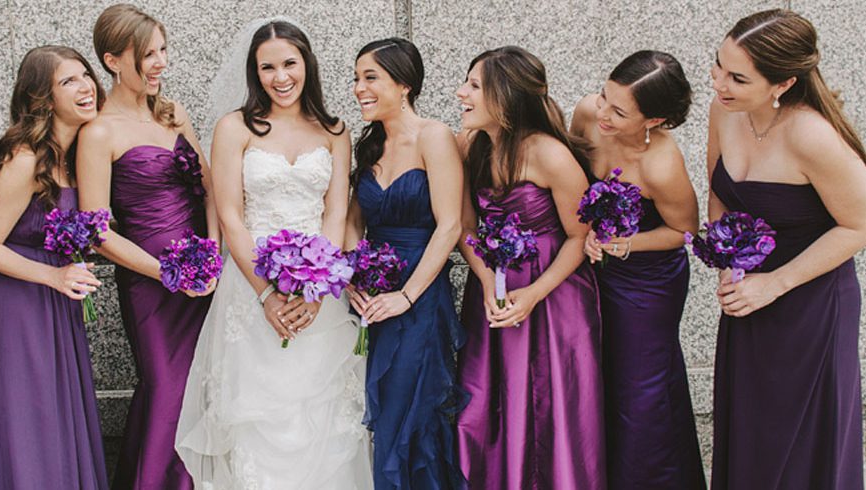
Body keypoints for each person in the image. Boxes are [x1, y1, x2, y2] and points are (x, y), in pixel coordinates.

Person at [175, 18, 372, 489]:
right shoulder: (234, 127)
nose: (280, 77)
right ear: (254, 71)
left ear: (307, 64)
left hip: (319, 293)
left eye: (289, 63)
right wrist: (265, 295)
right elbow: (231, 215)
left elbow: (334, 211)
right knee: (260, 415)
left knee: (324, 414)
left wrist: (319, 289)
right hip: (252, 288)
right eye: (267, 67)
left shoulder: (334, 129)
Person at [707, 9, 866, 489]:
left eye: (738, 77)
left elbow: (859, 225)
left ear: (781, 84)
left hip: (809, 301)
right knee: (751, 428)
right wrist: (727, 262)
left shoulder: (811, 135)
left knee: (798, 439)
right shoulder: (725, 109)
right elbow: (720, 194)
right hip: (746, 296)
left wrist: (774, 283)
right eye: (718, 65)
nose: (720, 83)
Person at [79, 5, 218, 488]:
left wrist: (213, 256)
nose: (159, 62)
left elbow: (210, 185)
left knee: (205, 389)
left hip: (207, 277)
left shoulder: (173, 113)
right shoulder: (98, 132)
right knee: (166, 390)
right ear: (113, 60)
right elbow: (97, 230)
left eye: (162, 51)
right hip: (149, 284)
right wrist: (169, 273)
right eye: (147, 54)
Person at [455, 46, 605, 490]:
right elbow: (465, 227)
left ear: (505, 96)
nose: (461, 93)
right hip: (492, 291)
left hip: (553, 298)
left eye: (474, 86)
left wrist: (534, 293)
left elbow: (579, 236)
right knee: (482, 405)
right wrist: (484, 280)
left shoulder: (549, 154)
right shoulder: (470, 146)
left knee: (549, 405)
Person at [0, 45, 108, 489]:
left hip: (54, 297)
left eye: (86, 75)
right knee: (30, 419)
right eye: (69, 81)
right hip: (17, 299)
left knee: (56, 410)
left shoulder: (74, 154)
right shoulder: (26, 158)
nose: (86, 86)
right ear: (42, 98)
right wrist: (54, 274)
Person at [570, 50, 705, 489]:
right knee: (595, 380)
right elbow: (573, 176)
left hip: (648, 283)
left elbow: (684, 231)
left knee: (639, 393)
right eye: (606, 96)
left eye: (620, 111)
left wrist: (622, 244)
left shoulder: (661, 165)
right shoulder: (589, 114)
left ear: (654, 121)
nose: (603, 113)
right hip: (593, 269)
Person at [345, 37, 467, 490]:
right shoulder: (370, 144)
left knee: (408, 406)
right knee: (379, 409)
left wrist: (406, 295)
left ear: (404, 84)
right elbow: (354, 220)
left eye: (370, 77)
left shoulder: (434, 136)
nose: (359, 88)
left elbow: (450, 225)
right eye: (356, 78)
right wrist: (355, 274)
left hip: (418, 293)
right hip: (372, 296)